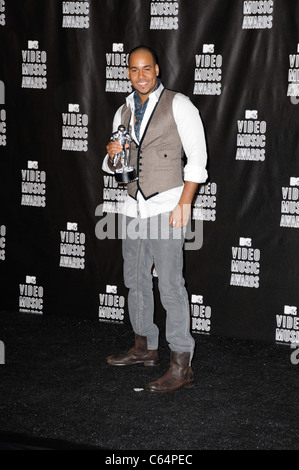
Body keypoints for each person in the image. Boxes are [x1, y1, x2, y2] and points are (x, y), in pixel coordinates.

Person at [102, 45, 208, 393]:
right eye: (134, 69)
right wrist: (112, 155)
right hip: (133, 207)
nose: (141, 76)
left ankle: (182, 366)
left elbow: (197, 158)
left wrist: (185, 203)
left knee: (171, 286)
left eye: (147, 69)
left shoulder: (179, 104)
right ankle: (144, 347)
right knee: (135, 280)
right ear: (127, 73)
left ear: (157, 69)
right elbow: (116, 167)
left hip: (166, 204)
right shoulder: (123, 111)